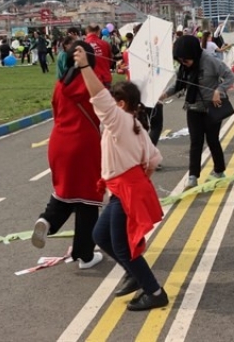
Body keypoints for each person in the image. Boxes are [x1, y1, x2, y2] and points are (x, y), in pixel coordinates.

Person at [72, 44, 168, 311]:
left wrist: (84, 66)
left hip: (126, 189)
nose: (106, 108)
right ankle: (135, 275)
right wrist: (136, 178)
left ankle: (155, 291)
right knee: (100, 236)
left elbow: (98, 96)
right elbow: (153, 160)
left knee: (124, 248)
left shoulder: (119, 120)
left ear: (122, 104)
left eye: (113, 102)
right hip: (127, 187)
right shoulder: (135, 125)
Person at [31, 41, 105, 270]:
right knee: (88, 199)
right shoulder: (92, 84)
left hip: (59, 141)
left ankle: (48, 220)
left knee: (66, 191)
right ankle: (84, 254)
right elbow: (105, 108)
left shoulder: (60, 85)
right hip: (83, 143)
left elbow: (55, 112)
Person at [160, 35, 234, 189]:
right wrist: (165, 94)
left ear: (193, 53)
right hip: (193, 107)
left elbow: (230, 76)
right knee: (196, 142)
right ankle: (193, 176)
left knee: (212, 140)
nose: (183, 63)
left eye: (185, 60)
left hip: (212, 106)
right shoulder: (184, 66)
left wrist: (219, 90)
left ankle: (219, 171)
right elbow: (179, 84)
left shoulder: (211, 61)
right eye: (180, 60)